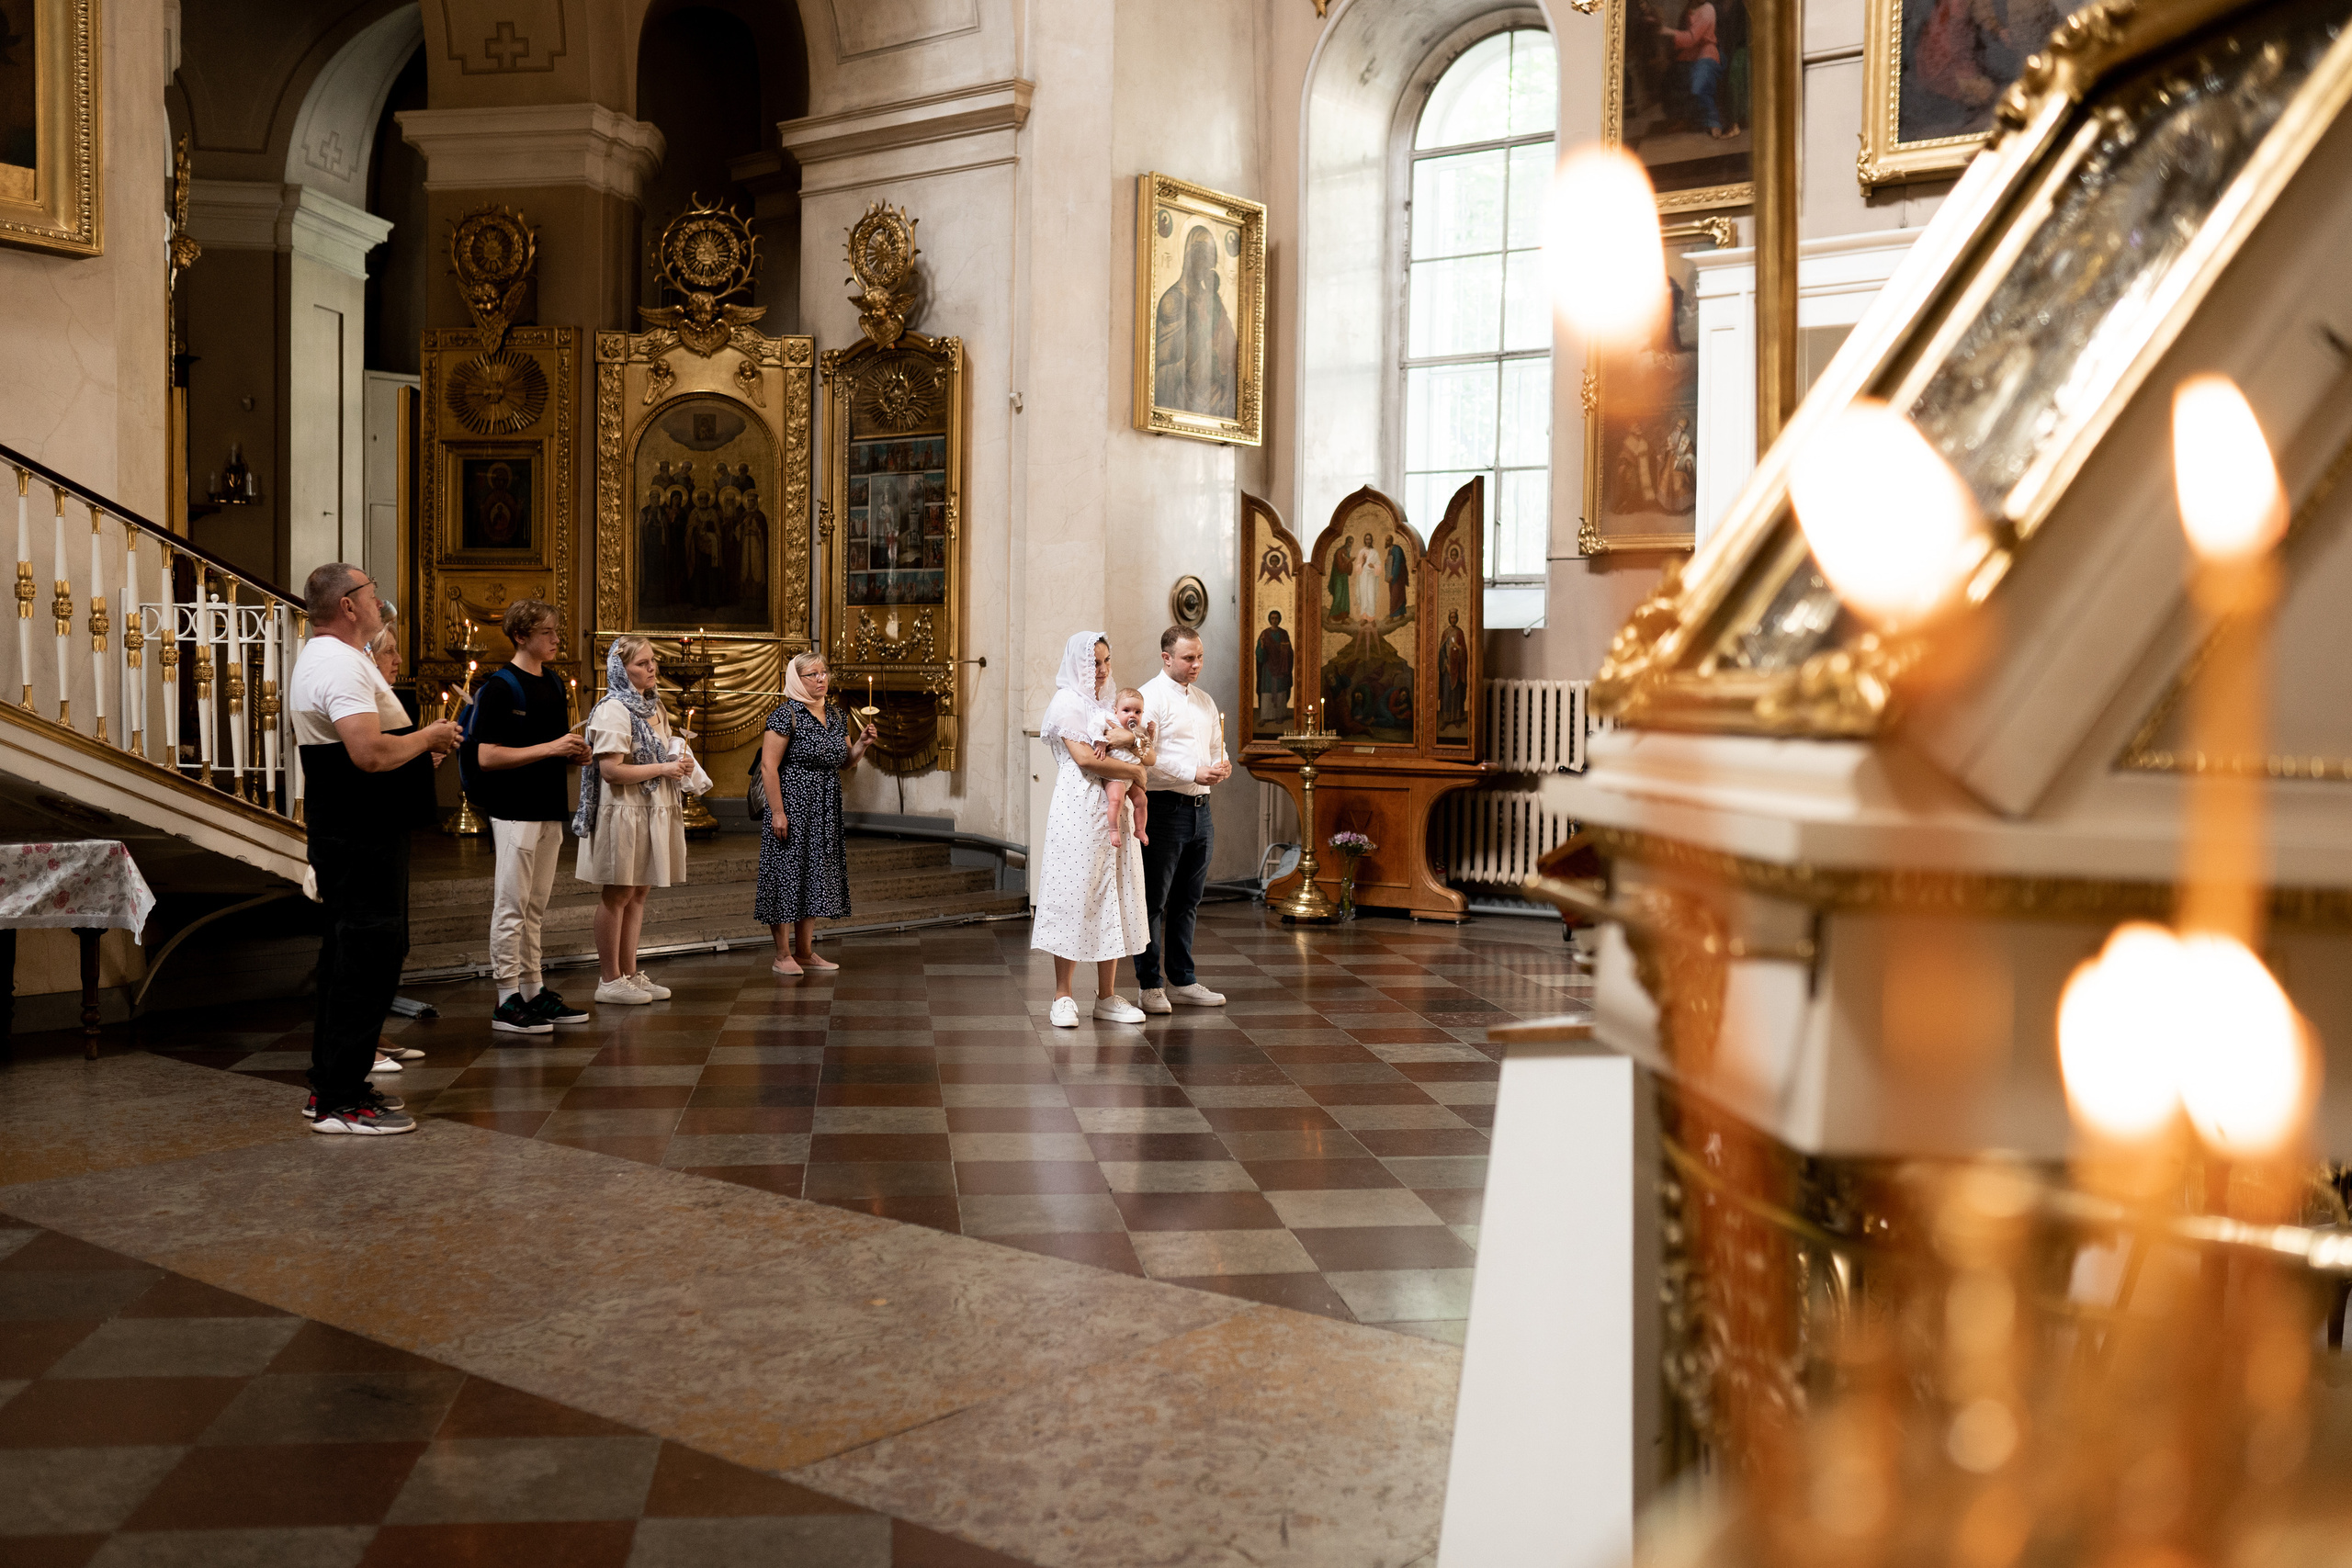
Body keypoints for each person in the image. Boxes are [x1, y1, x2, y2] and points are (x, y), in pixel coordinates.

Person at [289, 564, 460, 1134]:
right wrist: (430, 737)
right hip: (360, 836)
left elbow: (368, 750)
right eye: (370, 591)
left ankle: (335, 1085)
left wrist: (416, 755)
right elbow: (365, 754)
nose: (378, 598)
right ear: (347, 605)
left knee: (351, 957)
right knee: (365, 958)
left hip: (358, 828)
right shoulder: (338, 662)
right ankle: (339, 1100)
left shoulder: (333, 658)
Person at [465, 599, 593, 1035]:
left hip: (548, 806)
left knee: (535, 907)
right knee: (511, 906)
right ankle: (506, 999)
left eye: (556, 632)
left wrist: (576, 754)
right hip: (514, 810)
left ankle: (534, 989)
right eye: (547, 633)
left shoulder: (554, 683)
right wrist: (553, 748)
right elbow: (486, 756)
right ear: (521, 636)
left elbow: (551, 746)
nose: (557, 640)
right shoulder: (500, 687)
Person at [1032, 631, 1151, 1027]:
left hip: (1111, 812)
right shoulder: (1067, 701)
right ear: (1077, 664)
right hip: (1078, 806)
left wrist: (1134, 745)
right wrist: (1135, 769)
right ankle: (1063, 995)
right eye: (1093, 663)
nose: (1100, 670)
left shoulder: (1108, 704)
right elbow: (1084, 758)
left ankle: (1107, 995)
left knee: (1113, 892)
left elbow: (1142, 744)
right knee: (1074, 891)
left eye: (1105, 661)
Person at [573, 637, 693, 1004]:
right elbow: (610, 770)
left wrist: (682, 762)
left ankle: (629, 972)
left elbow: (663, 751)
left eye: (652, 661)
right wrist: (665, 767)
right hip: (623, 810)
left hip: (651, 805)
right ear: (620, 670)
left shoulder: (654, 706)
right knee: (619, 891)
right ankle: (609, 979)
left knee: (639, 890)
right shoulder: (612, 709)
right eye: (642, 663)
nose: (652, 668)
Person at [755, 650, 876, 976]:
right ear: (797, 679)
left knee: (813, 875)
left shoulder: (837, 715)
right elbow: (769, 767)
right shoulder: (786, 715)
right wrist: (778, 812)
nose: (821, 679)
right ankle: (783, 956)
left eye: (824, 673)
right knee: (786, 875)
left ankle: (805, 952)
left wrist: (862, 744)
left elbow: (845, 762)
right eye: (812, 674)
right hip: (791, 805)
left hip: (824, 808)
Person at [1136, 626, 1232, 1016]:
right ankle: (1149, 985)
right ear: (1166, 658)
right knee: (1154, 901)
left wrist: (1220, 766)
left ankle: (1182, 979)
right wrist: (1193, 771)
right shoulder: (1149, 698)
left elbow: (1215, 747)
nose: (1197, 665)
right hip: (1163, 810)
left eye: (1200, 657)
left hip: (1200, 812)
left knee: (1188, 900)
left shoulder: (1205, 701)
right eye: (1189, 658)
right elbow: (1145, 761)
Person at [361, 623, 433, 1078]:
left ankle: (374, 1030)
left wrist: (424, 758)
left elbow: (397, 759)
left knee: (394, 937)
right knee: (370, 939)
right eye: (390, 652)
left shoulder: (386, 697)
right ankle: (362, 1042)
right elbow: (372, 760)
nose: (398, 660)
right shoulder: (359, 698)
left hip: (392, 828)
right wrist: (425, 745)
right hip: (367, 828)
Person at [1094, 687, 1159, 846]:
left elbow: (1148, 750)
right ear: (1116, 711)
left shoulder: (1139, 729)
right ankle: (1113, 830)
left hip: (1132, 777)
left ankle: (1140, 829)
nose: (1132, 715)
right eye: (1126, 710)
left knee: (1142, 800)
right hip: (1115, 775)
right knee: (1116, 800)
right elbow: (1094, 729)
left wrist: (1151, 734)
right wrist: (1100, 743)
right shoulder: (1109, 721)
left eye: (1138, 712)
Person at [1254, 610, 1293, 728]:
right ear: (1269, 620)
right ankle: (1265, 716)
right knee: (1267, 691)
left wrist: (1285, 652)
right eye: (1272, 618)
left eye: (1276, 618)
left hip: (1281, 667)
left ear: (1279, 619)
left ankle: (1279, 715)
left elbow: (1290, 652)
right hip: (1268, 668)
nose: (1274, 620)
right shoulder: (1264, 634)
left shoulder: (1284, 634)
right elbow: (1259, 652)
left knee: (1280, 691)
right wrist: (1261, 648)